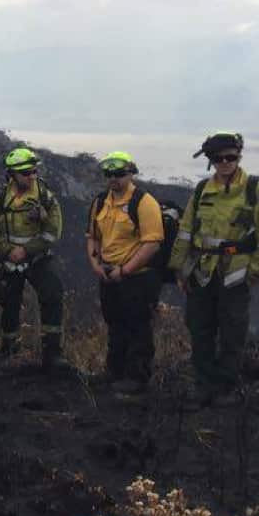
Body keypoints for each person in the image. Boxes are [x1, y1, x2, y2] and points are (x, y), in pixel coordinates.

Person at [169, 132, 259, 405]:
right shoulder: (201, 191)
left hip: (236, 272)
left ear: (238, 156)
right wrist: (179, 269)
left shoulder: (257, 191)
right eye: (219, 158)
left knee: (233, 331)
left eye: (231, 157)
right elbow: (186, 230)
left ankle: (227, 387)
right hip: (201, 271)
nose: (225, 162)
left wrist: (257, 271)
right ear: (210, 161)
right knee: (199, 328)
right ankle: (204, 384)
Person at [0, 147, 68, 371]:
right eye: (26, 173)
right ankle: (9, 348)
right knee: (9, 302)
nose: (32, 176)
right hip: (9, 259)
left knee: (52, 294)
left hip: (38, 257)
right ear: (12, 175)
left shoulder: (45, 197)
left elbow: (53, 232)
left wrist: (27, 250)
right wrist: (8, 250)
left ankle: (53, 353)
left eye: (34, 172)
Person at [86, 152, 165, 393]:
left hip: (138, 277)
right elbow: (92, 237)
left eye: (119, 174)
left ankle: (137, 378)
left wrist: (126, 270)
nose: (114, 178)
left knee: (138, 326)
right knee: (115, 324)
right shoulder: (101, 202)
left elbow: (152, 243)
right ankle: (114, 372)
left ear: (131, 173)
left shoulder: (144, 202)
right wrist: (96, 265)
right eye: (109, 174)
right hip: (109, 275)